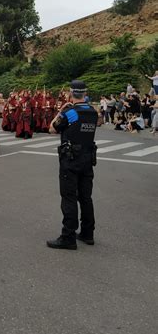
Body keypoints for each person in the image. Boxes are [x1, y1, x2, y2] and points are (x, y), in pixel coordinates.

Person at [47, 80, 99, 250]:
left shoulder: (71, 112)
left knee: (69, 196)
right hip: (87, 158)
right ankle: (87, 233)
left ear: (70, 93)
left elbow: (52, 129)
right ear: (85, 93)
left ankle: (68, 236)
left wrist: (60, 111)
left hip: (71, 159)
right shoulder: (93, 112)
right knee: (85, 197)